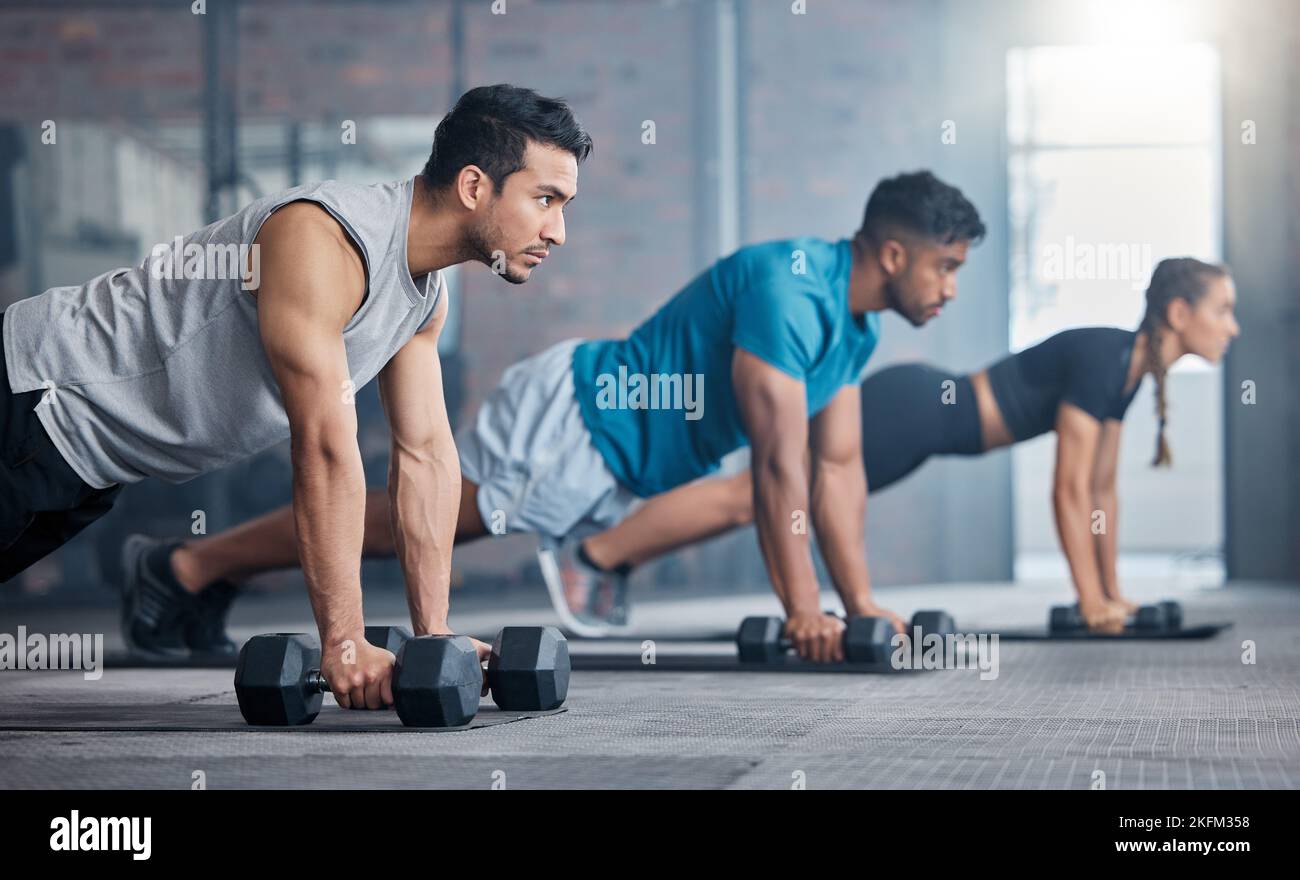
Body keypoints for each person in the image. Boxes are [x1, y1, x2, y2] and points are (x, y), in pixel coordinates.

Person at [122, 170, 987, 663]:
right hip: (581, 420)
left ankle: (195, 568)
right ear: (893, 252)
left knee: (426, 522)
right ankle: (187, 566)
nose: (949, 289)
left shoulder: (859, 328)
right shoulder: (790, 290)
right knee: (426, 519)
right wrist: (805, 610)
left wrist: (862, 603)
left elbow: (835, 470)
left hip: (619, 456)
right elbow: (777, 469)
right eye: (945, 268)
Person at [1, 84, 592, 709]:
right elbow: (325, 448)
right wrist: (343, 642)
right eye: (545, 200)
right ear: (475, 187)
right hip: (31, 400)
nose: (558, 231)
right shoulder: (320, 238)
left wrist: (435, 639)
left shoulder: (423, 296)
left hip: (89, 462)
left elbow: (425, 458)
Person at [567, 257, 1239, 633]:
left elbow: (1101, 493)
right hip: (915, 411)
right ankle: (597, 555)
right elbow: (1066, 489)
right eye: (1223, 311)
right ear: (1179, 315)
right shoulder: (1103, 355)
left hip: (927, 427)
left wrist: (1112, 596)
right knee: (754, 496)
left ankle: (607, 558)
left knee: (757, 498)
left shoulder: (1127, 373)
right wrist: (1089, 602)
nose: (1232, 327)